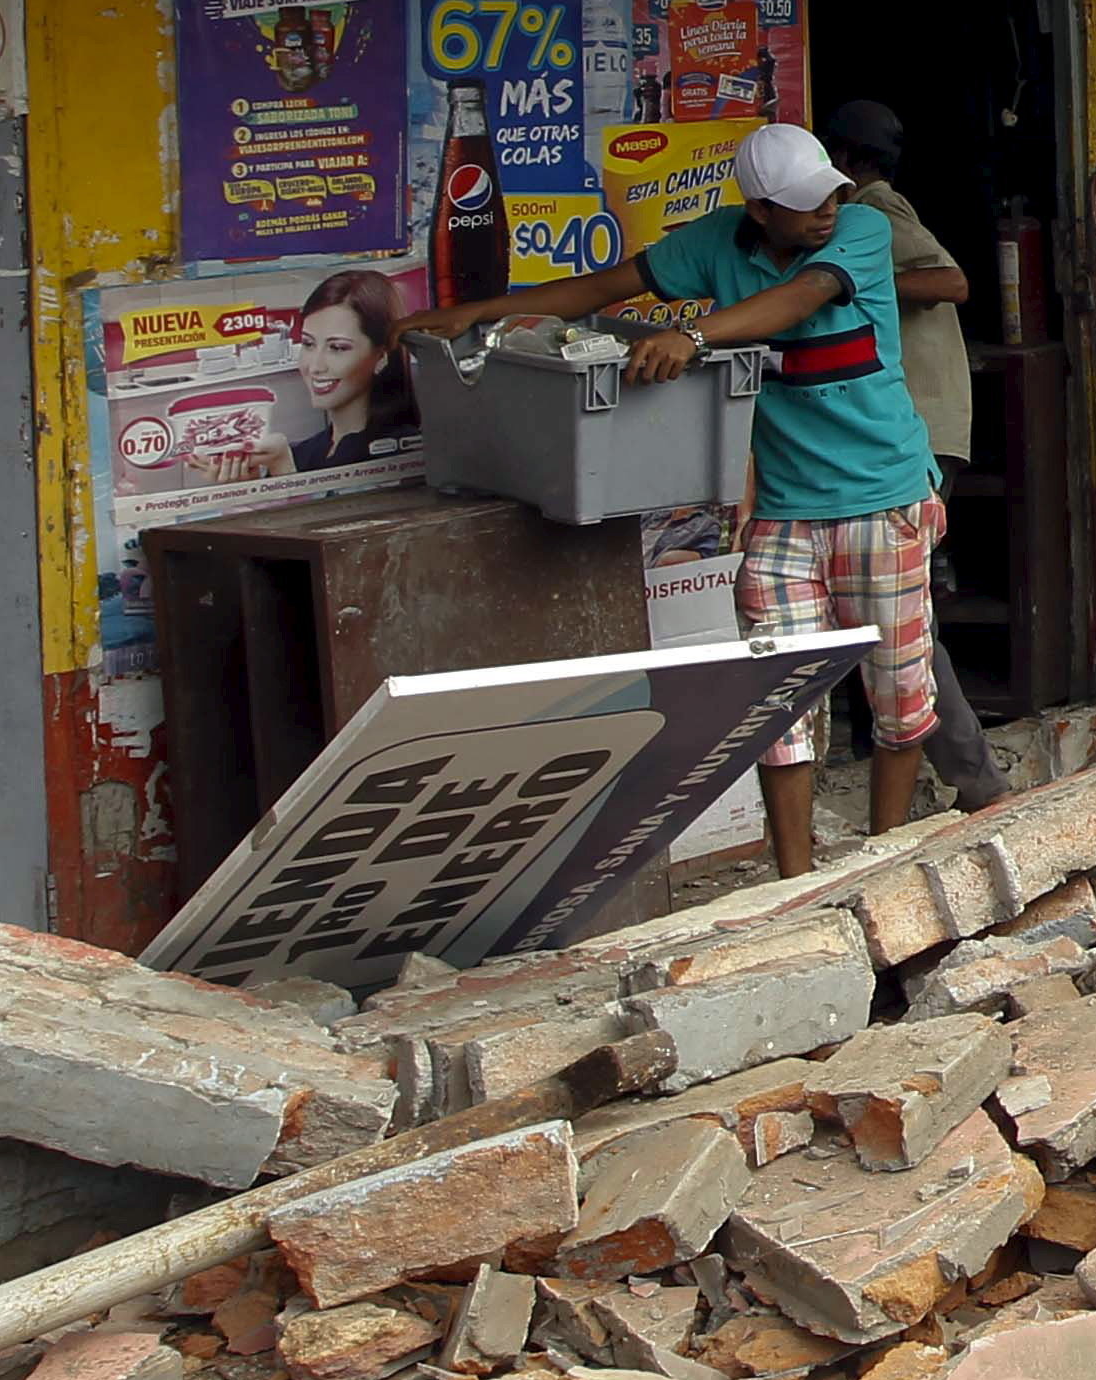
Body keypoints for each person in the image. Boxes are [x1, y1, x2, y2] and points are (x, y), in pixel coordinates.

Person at [394, 122, 943, 875]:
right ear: (759, 210)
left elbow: (799, 299)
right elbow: (605, 288)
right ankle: (793, 882)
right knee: (773, 705)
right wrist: (482, 313)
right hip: (784, 509)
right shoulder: (717, 241)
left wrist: (696, 336)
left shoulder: (861, 231)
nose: (827, 208)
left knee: (897, 699)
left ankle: (887, 862)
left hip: (884, 497)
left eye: (832, 193)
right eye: (805, 202)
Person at [820, 99, 1005, 811]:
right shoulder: (869, 210)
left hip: (912, 438)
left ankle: (976, 778)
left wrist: (849, 283)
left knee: (903, 618)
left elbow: (950, 281)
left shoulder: (876, 211)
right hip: (903, 435)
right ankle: (922, 756)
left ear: (845, 160)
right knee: (894, 613)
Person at [288, 269, 420, 469]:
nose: (315, 366)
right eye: (308, 344)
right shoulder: (301, 454)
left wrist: (287, 478)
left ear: (382, 356)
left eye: (337, 348)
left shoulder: (402, 451)